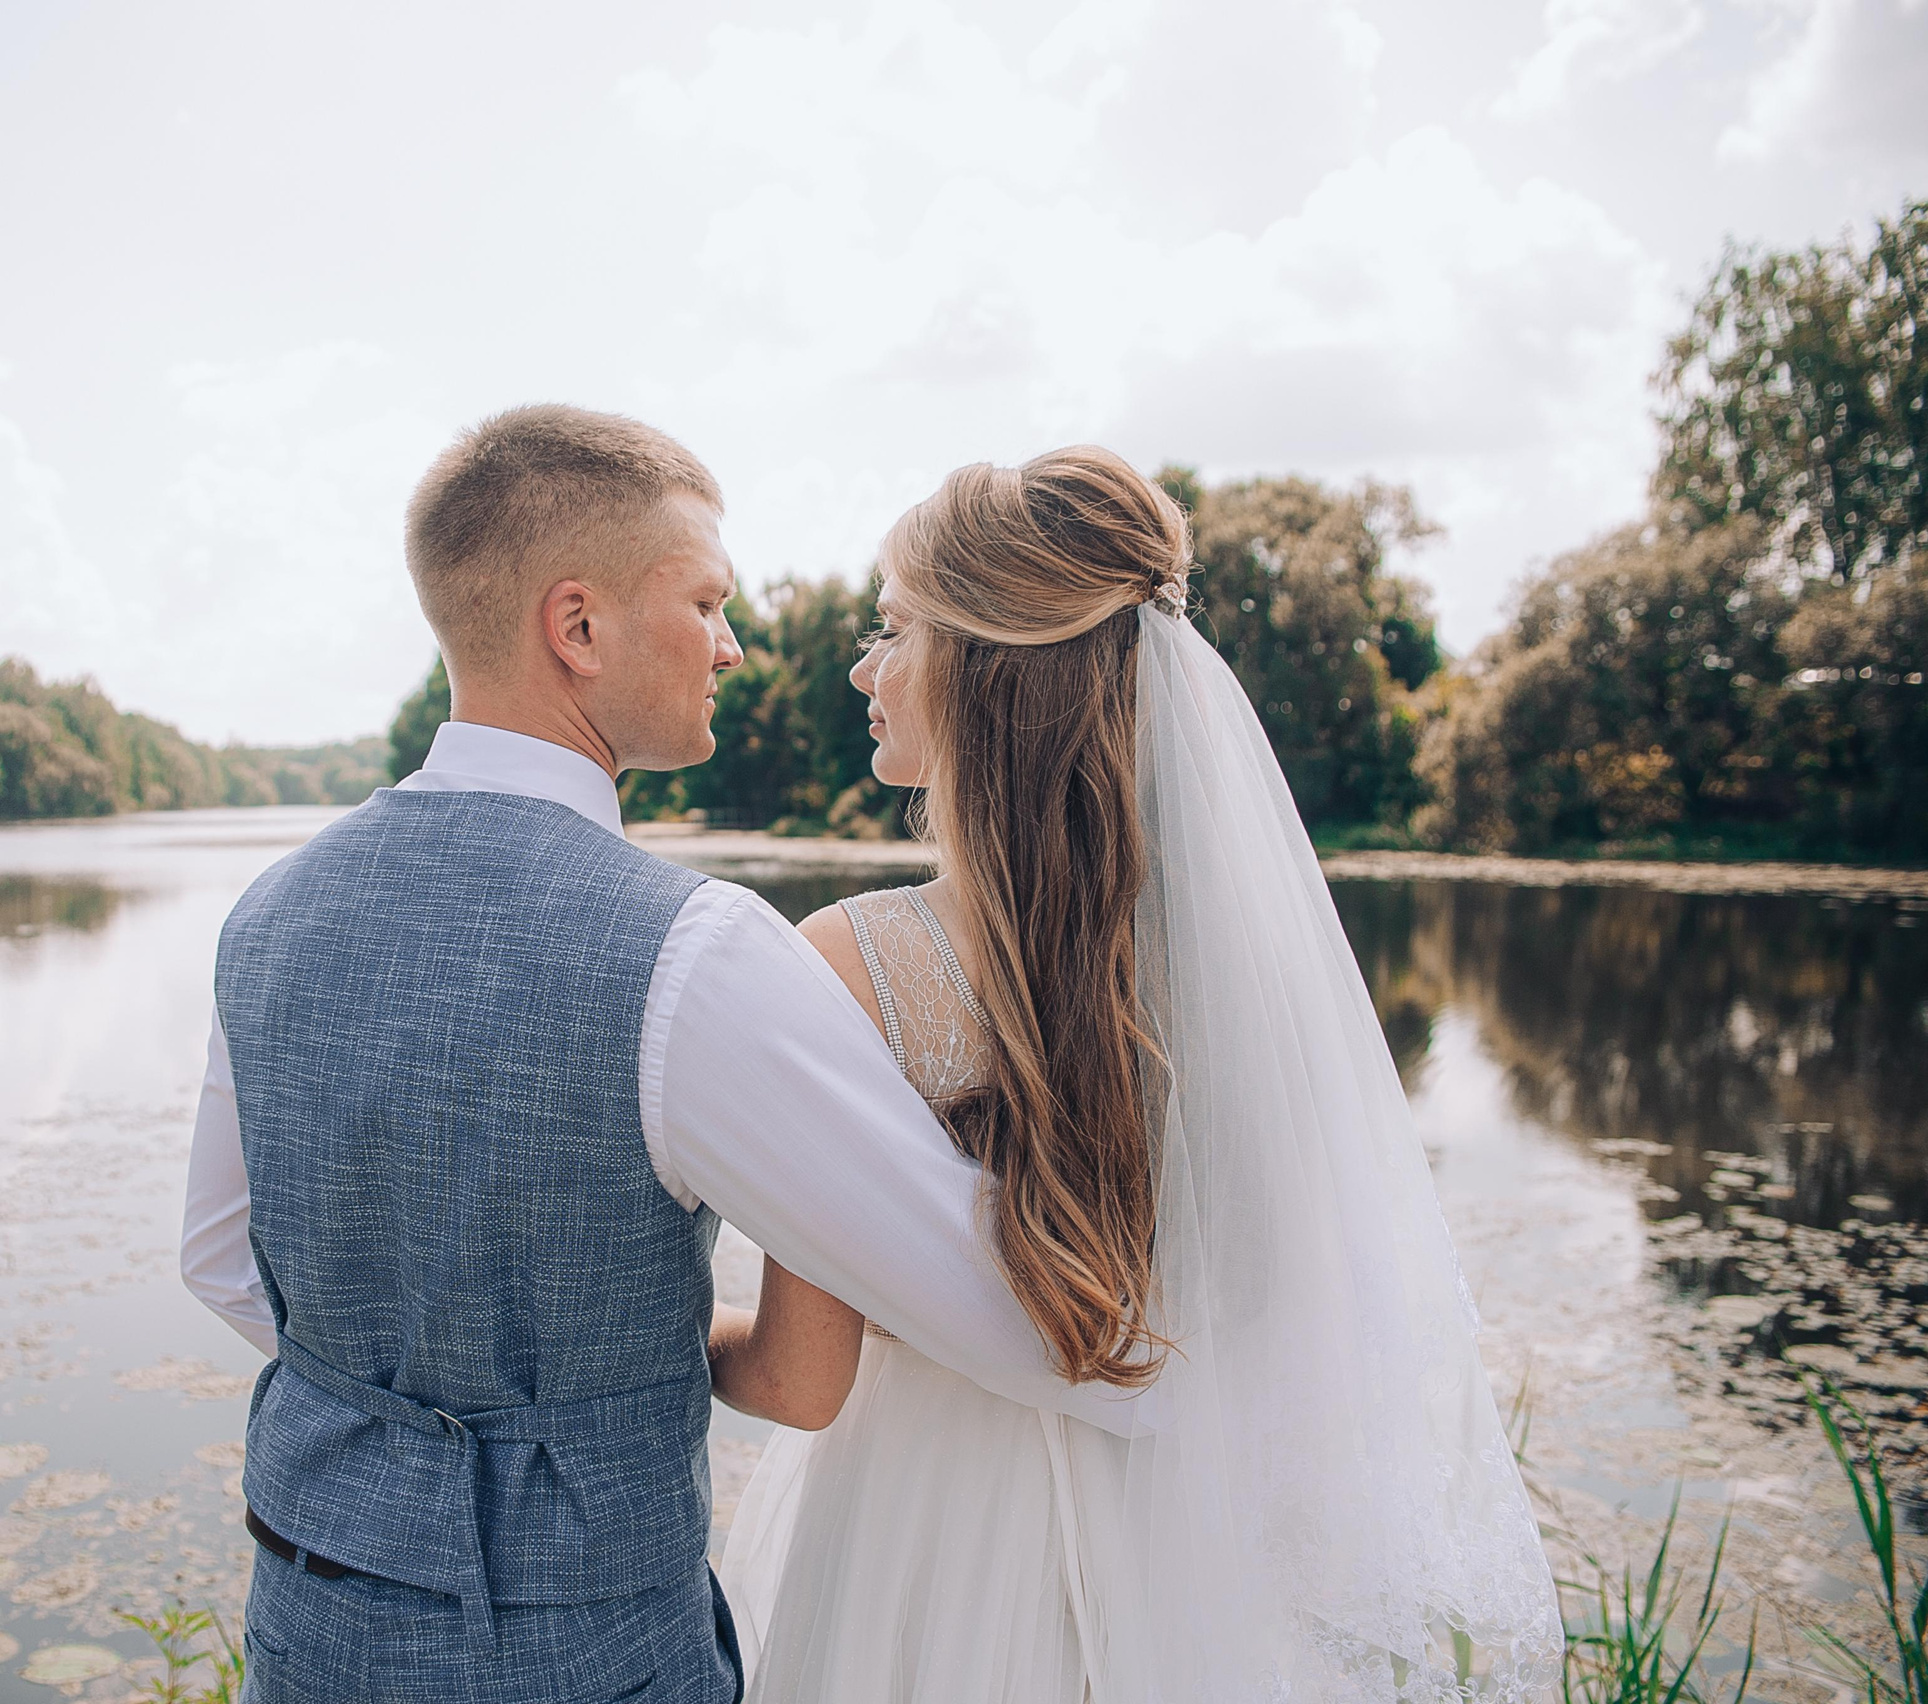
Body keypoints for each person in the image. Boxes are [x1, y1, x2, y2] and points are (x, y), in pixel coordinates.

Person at [178, 407, 1148, 1704]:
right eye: (704, 602)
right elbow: (982, 1301)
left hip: (310, 1637)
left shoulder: (264, 919)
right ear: (578, 630)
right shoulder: (695, 957)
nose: (734, 644)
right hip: (587, 1661)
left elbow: (224, 1262)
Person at [712, 446, 1561, 1702]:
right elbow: (1275, 1299)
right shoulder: (1242, 972)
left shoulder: (855, 960)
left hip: (923, 1530)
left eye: (893, 631)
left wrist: (654, 1328)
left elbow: (798, 1378)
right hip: (1179, 1548)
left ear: (984, 668)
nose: (862, 670)